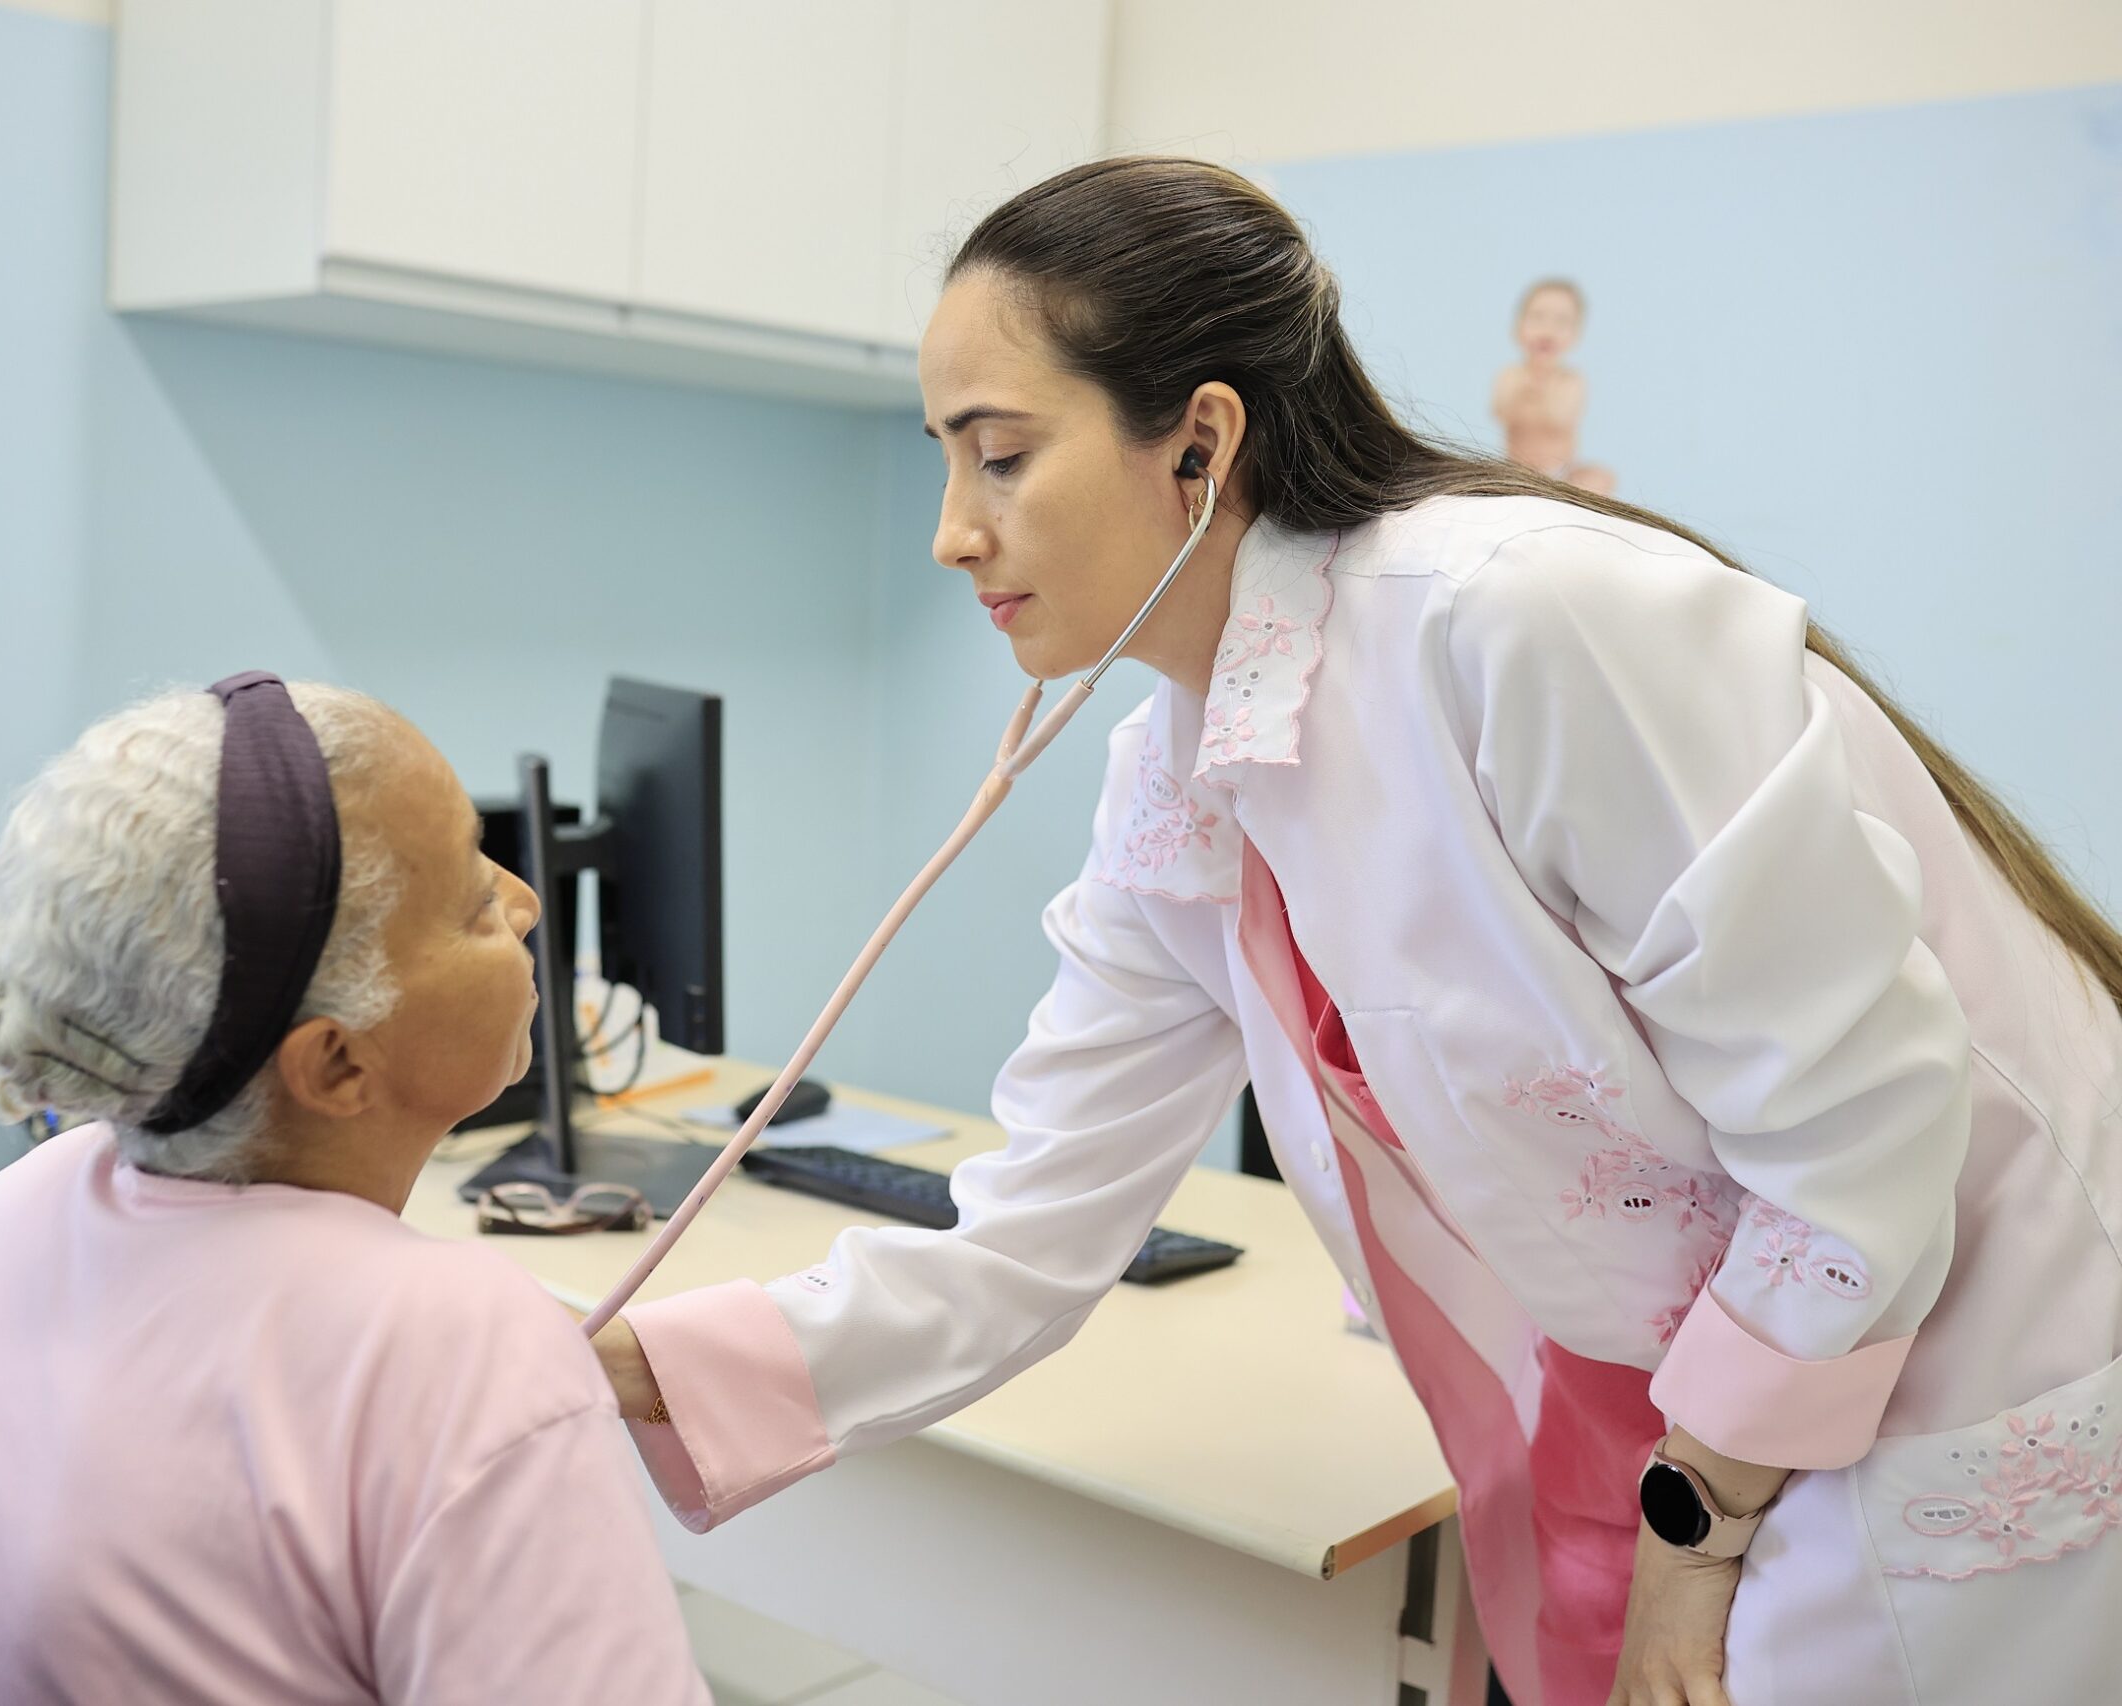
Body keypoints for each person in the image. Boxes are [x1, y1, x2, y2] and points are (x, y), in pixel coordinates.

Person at [590, 159, 2122, 1706]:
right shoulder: (1176, 778)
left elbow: (1860, 1131)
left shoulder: (1517, 623)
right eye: (944, 462)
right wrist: (617, 1365)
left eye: (999, 457)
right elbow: (1032, 1231)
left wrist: (1696, 1529)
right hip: (1700, 1400)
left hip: (1966, 1342)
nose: (950, 534)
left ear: (1200, 441)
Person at [0, 678, 708, 1706]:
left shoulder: (20, 1201)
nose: (525, 902)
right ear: (337, 1063)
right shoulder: (452, 1343)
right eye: (469, 903)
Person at [1493, 278, 1615, 495]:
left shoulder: (1572, 380)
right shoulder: (1510, 375)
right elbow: (1501, 412)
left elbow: (1559, 419)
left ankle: (1564, 494)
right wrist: (1524, 387)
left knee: (1600, 478)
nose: (1548, 329)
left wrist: (1542, 385)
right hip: (1516, 469)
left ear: (1575, 336)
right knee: (1484, 476)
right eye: (1537, 317)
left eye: (1561, 322)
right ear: (1518, 328)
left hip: (1562, 473)